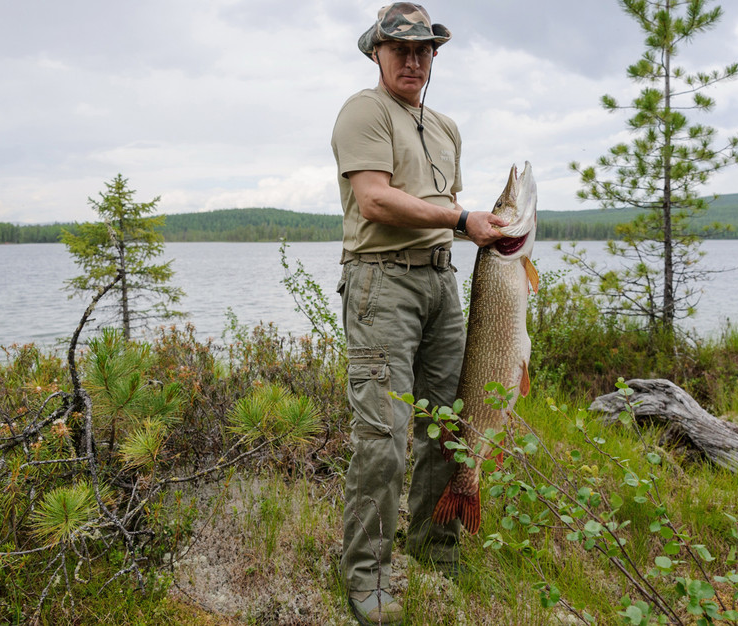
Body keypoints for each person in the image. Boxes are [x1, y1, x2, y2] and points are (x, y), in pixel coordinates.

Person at [330, 4, 505, 624]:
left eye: (423, 50)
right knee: (383, 440)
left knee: (447, 426)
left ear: (435, 57)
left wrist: (482, 233)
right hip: (382, 287)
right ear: (377, 52)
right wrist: (463, 220)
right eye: (399, 49)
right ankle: (366, 576)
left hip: (441, 285)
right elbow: (375, 200)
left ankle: (435, 550)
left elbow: (438, 209)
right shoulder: (364, 111)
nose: (412, 60)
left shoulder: (446, 127)